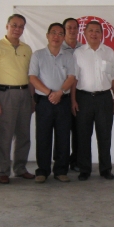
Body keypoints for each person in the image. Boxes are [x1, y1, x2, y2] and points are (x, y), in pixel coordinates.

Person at [0, 14, 35, 184]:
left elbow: (30, 76)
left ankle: (20, 168)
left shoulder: (27, 49)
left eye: (21, 26)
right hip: (5, 94)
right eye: (14, 25)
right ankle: (2, 171)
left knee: (23, 135)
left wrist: (32, 98)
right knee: (4, 135)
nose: (17, 29)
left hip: (24, 94)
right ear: (7, 26)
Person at [73, 21, 114, 181]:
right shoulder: (78, 53)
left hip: (104, 98)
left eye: (97, 31)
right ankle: (84, 169)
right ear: (85, 34)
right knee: (83, 135)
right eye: (91, 31)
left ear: (102, 34)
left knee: (105, 135)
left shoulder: (109, 52)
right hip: (83, 98)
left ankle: (105, 169)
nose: (94, 34)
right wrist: (73, 100)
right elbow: (73, 79)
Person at [29, 23, 76, 183]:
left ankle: (61, 170)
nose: (56, 36)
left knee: (63, 136)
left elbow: (71, 77)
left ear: (63, 37)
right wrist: (50, 93)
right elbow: (33, 77)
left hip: (63, 101)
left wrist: (60, 92)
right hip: (44, 101)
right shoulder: (38, 55)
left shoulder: (68, 56)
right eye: (53, 33)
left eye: (60, 33)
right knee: (43, 136)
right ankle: (42, 170)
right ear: (47, 35)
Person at [61, 17, 82, 172]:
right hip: (61, 95)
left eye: (75, 28)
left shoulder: (83, 49)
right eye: (69, 27)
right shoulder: (58, 48)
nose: (72, 30)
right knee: (62, 130)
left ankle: (75, 161)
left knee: (78, 129)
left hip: (79, 95)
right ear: (64, 30)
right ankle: (61, 162)